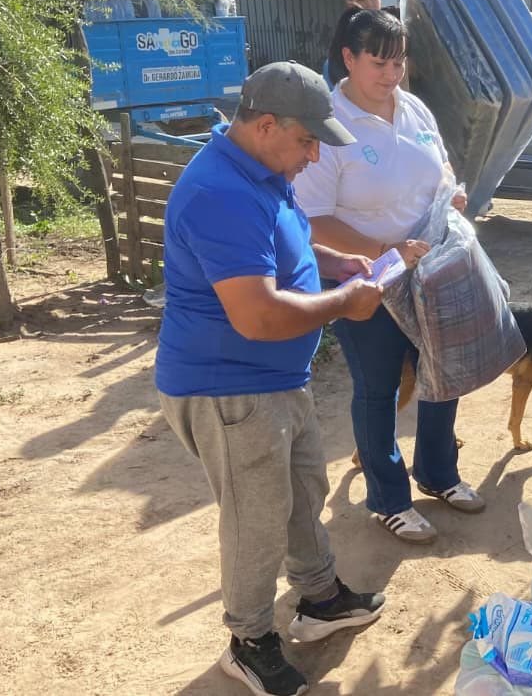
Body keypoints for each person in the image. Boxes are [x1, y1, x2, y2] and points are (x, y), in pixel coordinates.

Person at [156, 61, 388, 696]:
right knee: (256, 518)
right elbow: (257, 315)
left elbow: (281, 236)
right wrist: (344, 304)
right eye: (308, 141)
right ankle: (250, 639)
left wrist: (331, 260)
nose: (314, 156)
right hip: (228, 386)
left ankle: (319, 599)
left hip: (275, 379)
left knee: (301, 491)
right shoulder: (220, 193)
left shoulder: (259, 170)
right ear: (266, 126)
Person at [294, 8, 483, 545]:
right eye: (379, 62)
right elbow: (313, 217)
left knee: (441, 372)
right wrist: (386, 249)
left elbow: (441, 167)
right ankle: (388, 498)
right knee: (378, 388)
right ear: (348, 58)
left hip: (433, 270)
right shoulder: (330, 126)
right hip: (369, 277)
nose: (391, 73)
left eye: (399, 61)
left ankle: (438, 474)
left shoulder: (415, 107)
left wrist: (454, 192)